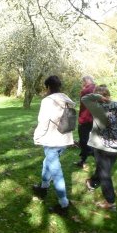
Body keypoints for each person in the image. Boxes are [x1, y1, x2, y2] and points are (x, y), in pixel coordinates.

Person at [82, 85, 117, 212]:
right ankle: (92, 183)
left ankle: (110, 202)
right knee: (104, 169)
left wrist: (98, 97)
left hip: (101, 145)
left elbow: (85, 98)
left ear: (98, 96)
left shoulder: (97, 106)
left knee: (105, 174)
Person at [32, 75, 75, 215]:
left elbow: (43, 121)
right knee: (47, 163)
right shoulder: (66, 99)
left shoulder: (48, 101)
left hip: (52, 140)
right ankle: (43, 188)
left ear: (48, 87)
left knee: (56, 172)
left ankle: (64, 204)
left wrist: (37, 136)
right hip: (65, 139)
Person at [74, 76, 96, 168]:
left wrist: (83, 90)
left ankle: (91, 154)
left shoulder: (86, 90)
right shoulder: (97, 89)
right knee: (86, 140)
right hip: (94, 118)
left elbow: (83, 102)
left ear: (87, 81)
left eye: (83, 81)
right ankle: (84, 160)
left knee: (83, 140)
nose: (83, 84)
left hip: (86, 118)